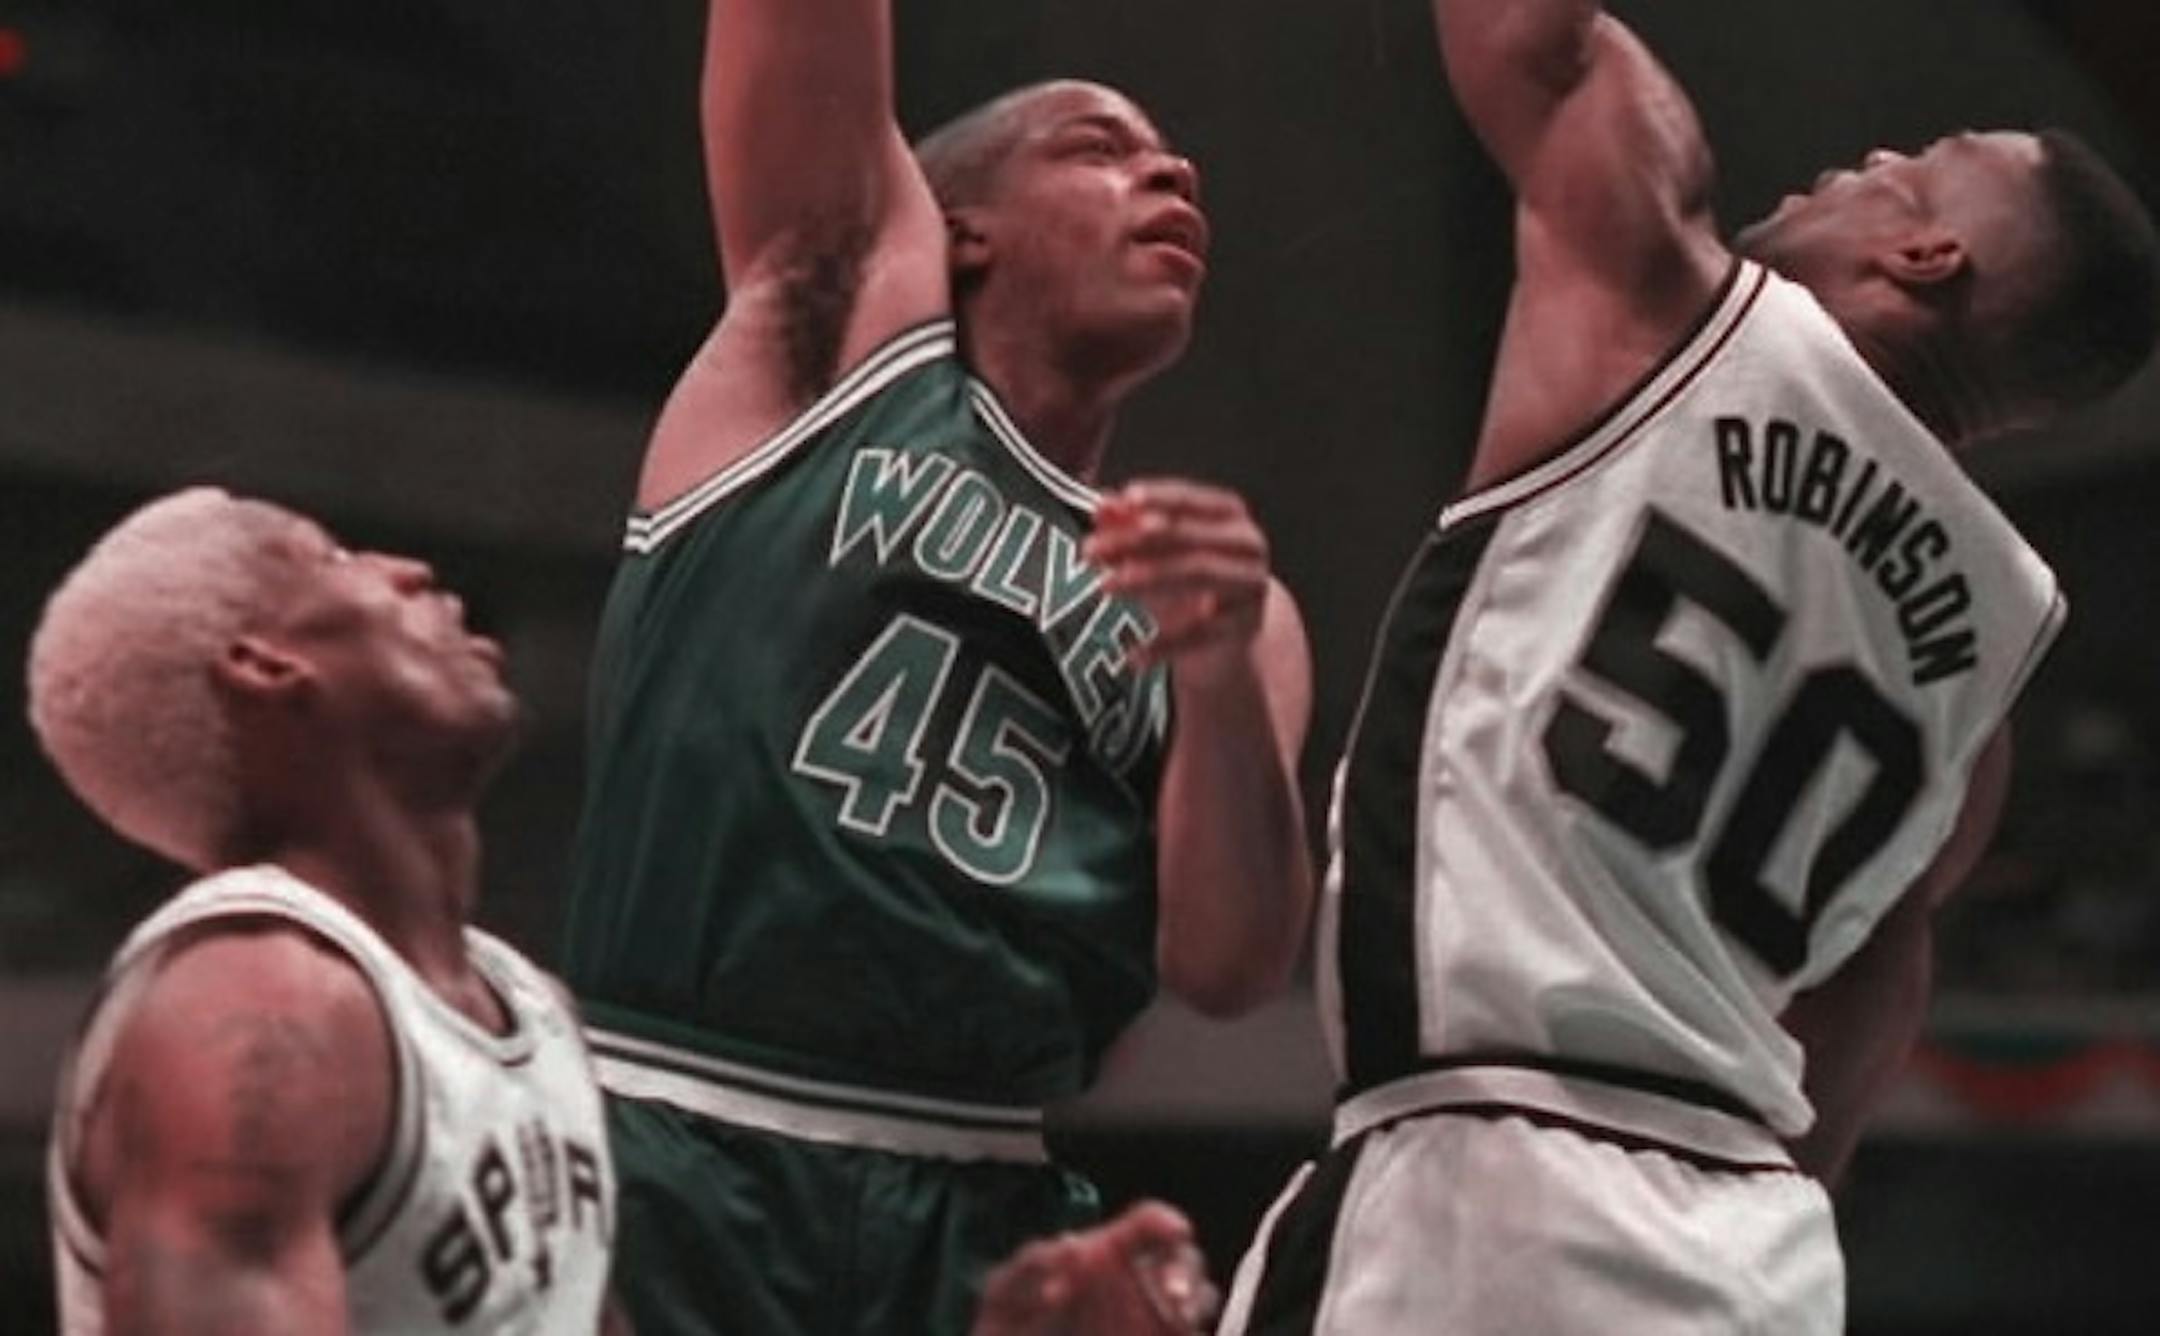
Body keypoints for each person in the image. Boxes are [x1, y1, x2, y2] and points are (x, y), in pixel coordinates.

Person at [1220, 2, 2160, 1333]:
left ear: (1928, 251)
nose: (1871, 157)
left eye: (1917, 165)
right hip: (1749, 1251)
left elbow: (1528, 42)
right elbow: (1851, 1048)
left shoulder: (1667, 306)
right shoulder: (1987, 693)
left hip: (1489, 1181)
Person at [556, 0, 1315, 1331]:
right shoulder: (842, 343)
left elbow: (1230, 966)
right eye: (1102, 147)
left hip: (983, 1187)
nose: (1174, 174)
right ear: (963, 223)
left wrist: (1220, 669)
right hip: (678, 1122)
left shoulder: (1236, 602)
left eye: (1176, 163)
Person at [28, 488, 623, 1334]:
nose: (411, 570)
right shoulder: (259, 1000)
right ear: (267, 665)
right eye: (335, 562)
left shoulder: (531, 1007)